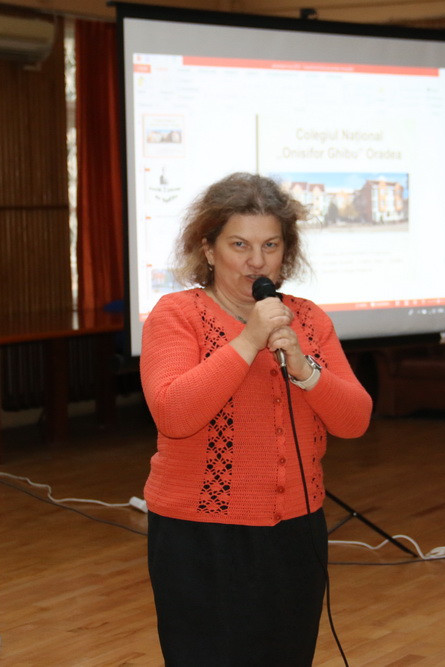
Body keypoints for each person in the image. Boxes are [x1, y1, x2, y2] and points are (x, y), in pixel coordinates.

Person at [140, 172, 373, 665]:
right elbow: (174, 414)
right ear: (208, 249)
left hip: (296, 531)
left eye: (270, 245)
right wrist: (248, 340)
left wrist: (306, 370)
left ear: (286, 252)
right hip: (200, 534)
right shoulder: (176, 315)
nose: (256, 261)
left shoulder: (309, 320)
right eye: (239, 244)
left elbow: (355, 420)